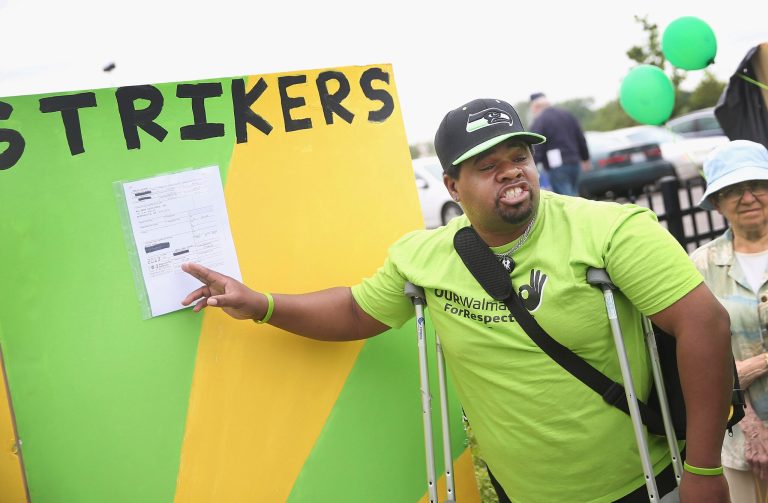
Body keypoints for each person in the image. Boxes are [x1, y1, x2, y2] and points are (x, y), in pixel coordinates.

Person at [181, 98, 733, 502]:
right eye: (487, 166)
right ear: (451, 186)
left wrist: (705, 472)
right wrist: (263, 304)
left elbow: (703, 325)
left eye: (518, 156)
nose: (511, 172)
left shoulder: (614, 230)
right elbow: (354, 311)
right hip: (525, 495)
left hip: (642, 481)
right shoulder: (424, 258)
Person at [691, 140, 768, 503]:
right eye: (733, 189)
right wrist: (752, 426)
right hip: (740, 442)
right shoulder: (700, 266)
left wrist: (745, 368)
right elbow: (699, 363)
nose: (748, 196)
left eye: (757, 184)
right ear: (717, 202)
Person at [528, 92, 591, 196]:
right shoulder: (567, 115)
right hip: (575, 162)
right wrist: (585, 159)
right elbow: (581, 138)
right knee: (573, 195)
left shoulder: (540, 120)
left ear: (536, 106)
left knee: (567, 199)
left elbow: (537, 146)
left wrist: (531, 165)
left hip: (557, 167)